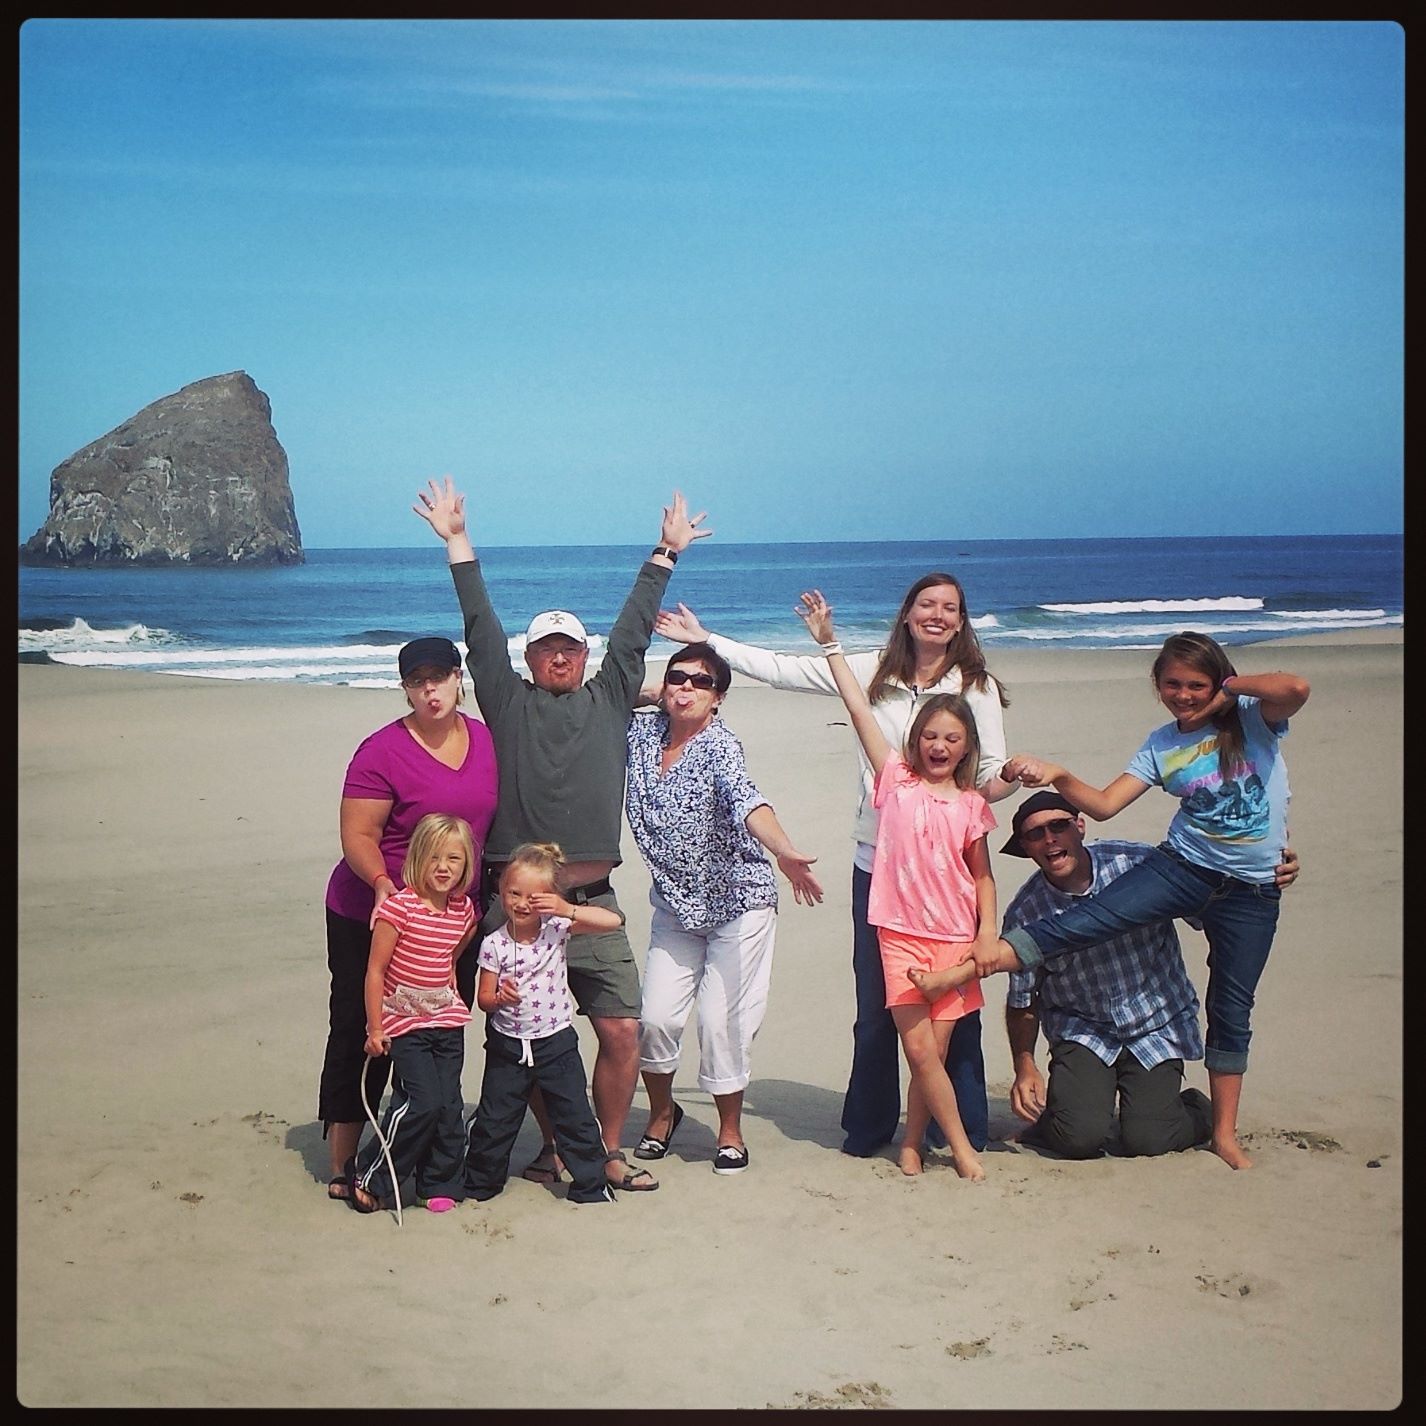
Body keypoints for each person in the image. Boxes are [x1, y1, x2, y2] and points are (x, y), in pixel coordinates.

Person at [654, 573, 1015, 1159]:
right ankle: (870, 1128)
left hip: (948, 873)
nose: (937, 615)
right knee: (876, 1006)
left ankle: (964, 1129)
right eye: (927, 604)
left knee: (956, 1008)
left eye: (950, 608)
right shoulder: (874, 672)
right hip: (878, 865)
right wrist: (708, 640)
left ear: (962, 619)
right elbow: (781, 668)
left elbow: (988, 772)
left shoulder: (976, 687)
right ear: (907, 613)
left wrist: (1002, 782)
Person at [415, 475, 709, 1193]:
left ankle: (600, 1148)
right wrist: (457, 542)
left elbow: (637, 627)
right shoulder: (507, 704)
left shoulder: (610, 700)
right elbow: (478, 627)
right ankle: (553, 1146)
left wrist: (666, 555)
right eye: (545, 647)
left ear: (584, 657)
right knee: (520, 1038)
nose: (557, 657)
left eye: (568, 648)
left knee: (620, 1032)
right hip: (512, 908)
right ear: (528, 658)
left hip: (590, 902)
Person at [943, 632, 1310, 1170]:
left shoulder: (1251, 718)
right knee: (1094, 917)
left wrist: (1226, 689)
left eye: (1194, 685)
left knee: (1232, 1006)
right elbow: (1107, 804)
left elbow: (1296, 687)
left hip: (1254, 889)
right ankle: (1000, 953)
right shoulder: (1162, 744)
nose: (1182, 695)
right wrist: (1061, 776)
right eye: (1171, 684)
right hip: (1184, 867)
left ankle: (1224, 1133)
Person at [798, 590, 998, 1180]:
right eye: (930, 737)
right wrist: (829, 644)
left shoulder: (970, 807)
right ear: (915, 743)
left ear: (966, 749)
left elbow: (983, 879)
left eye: (952, 740)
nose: (939, 746)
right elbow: (860, 709)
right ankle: (960, 1150)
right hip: (900, 936)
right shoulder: (895, 782)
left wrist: (987, 936)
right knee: (914, 1047)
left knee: (933, 1053)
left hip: (955, 940)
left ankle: (912, 1141)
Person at [625, 643, 823, 1175]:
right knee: (655, 1019)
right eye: (677, 678)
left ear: (720, 698)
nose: (686, 687)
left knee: (720, 1022)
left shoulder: (720, 748)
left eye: (701, 682)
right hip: (676, 907)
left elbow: (747, 800)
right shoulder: (640, 734)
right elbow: (601, 698)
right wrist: (658, 691)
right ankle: (664, 1114)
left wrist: (783, 850)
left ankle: (730, 1130)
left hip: (740, 905)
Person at [320, 636, 498, 1202]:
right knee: (362, 1028)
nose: (429, 690)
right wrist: (383, 888)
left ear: (457, 677)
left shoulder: (488, 741)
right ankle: (346, 1161)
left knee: (436, 1032)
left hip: (452, 918)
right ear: (404, 687)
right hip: (374, 912)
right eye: (417, 681)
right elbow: (359, 835)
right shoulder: (381, 750)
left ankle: (423, 1155)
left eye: (439, 677)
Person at [463, 844, 623, 1205]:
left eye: (534, 898)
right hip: (508, 1045)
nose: (521, 903)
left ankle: (591, 1186)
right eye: (513, 893)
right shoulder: (493, 944)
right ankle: (479, 1185)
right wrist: (499, 997)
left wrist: (566, 909)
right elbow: (483, 1000)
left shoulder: (557, 927)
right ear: (501, 892)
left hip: (556, 1042)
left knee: (575, 1117)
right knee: (495, 1120)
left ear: (549, 899)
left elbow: (613, 921)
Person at [347, 814, 479, 1215]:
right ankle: (372, 1175)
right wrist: (375, 1026)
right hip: (405, 1024)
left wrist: (450, 978)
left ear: (466, 865)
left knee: (449, 1106)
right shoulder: (399, 909)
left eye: (454, 859)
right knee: (421, 1103)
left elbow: (454, 952)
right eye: (435, 857)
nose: (443, 868)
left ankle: (438, 1182)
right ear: (418, 857)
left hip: (447, 1021)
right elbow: (375, 971)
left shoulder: (463, 910)